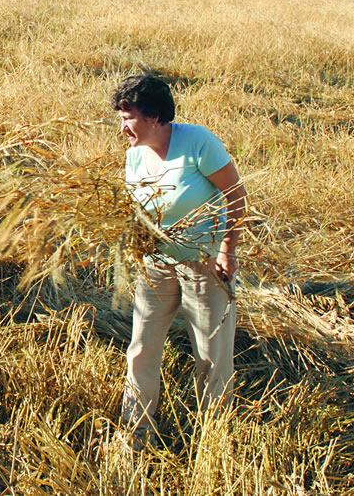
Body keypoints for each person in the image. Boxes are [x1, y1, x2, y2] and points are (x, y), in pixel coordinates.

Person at [113, 74, 247, 446]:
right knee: (141, 348)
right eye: (120, 119)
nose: (122, 128)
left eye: (128, 118)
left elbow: (237, 196)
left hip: (204, 264)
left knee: (210, 355)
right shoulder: (134, 156)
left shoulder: (198, 143)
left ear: (154, 116)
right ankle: (136, 431)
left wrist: (228, 249)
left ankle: (214, 437)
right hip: (156, 263)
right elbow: (141, 212)